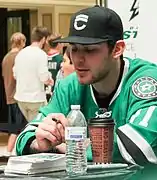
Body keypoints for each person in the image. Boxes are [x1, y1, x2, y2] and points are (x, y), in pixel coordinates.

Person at [15, 5, 157, 166]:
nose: (78, 59)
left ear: (117, 49)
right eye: (74, 49)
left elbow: (141, 145)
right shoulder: (69, 85)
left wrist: (71, 147)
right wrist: (39, 142)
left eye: (90, 50)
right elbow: (25, 137)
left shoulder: (147, 79)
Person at [13, 26, 54, 122]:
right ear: (43, 39)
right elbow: (43, 77)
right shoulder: (41, 54)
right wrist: (50, 80)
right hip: (35, 98)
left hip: (20, 97)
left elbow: (15, 74)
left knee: (29, 125)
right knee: (37, 127)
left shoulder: (21, 53)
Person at [2, 32, 27, 153]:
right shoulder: (19, 57)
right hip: (18, 96)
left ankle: (8, 152)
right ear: (21, 42)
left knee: (14, 127)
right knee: (18, 128)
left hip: (9, 95)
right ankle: (10, 152)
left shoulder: (6, 57)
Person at [44, 34, 63, 101]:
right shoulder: (61, 59)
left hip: (44, 93)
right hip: (56, 94)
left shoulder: (43, 58)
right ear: (59, 44)